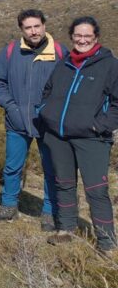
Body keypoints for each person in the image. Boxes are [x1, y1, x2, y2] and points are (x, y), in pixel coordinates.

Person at [39, 16, 118, 251]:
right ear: (72, 36)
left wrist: (98, 125)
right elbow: (48, 90)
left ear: (96, 37)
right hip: (58, 136)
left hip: (92, 138)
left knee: (96, 190)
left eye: (87, 36)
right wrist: (45, 112)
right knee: (63, 183)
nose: (82, 39)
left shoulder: (110, 65)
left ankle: (106, 242)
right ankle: (66, 229)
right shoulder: (64, 62)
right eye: (78, 35)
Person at [0, 8, 67, 230]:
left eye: (37, 26)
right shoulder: (11, 51)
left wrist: (55, 110)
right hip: (17, 122)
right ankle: (9, 205)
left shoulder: (60, 52)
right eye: (28, 27)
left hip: (48, 123)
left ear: (44, 25)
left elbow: (69, 85)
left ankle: (50, 212)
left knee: (50, 168)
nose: (33, 31)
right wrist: (11, 107)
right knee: (13, 166)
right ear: (21, 29)